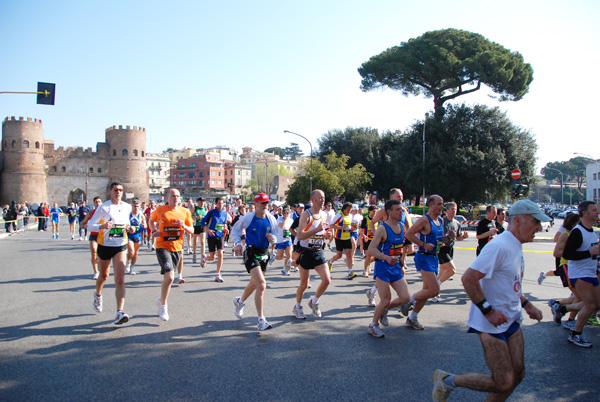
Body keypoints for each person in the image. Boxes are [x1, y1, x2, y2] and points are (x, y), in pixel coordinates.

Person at [432, 199, 546, 402]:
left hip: (511, 319)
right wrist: (488, 311)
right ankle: (447, 380)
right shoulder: (499, 246)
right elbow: (468, 278)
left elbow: (510, 285)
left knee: (517, 376)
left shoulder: (516, 245)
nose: (539, 227)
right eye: (535, 222)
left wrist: (527, 305)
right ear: (518, 221)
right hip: (490, 323)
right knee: (503, 381)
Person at [88, 183, 134, 325]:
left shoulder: (127, 207)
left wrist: (130, 228)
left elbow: (126, 223)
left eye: (121, 190)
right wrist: (102, 226)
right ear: (110, 192)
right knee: (104, 275)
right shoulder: (104, 207)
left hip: (120, 245)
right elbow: (89, 225)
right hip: (105, 245)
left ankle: (119, 312)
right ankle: (98, 294)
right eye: (116, 190)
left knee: (120, 279)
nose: (119, 192)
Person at [231, 193, 279, 331]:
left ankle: (240, 302)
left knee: (254, 284)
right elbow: (235, 229)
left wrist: (272, 239)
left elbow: (276, 236)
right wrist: (237, 244)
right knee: (262, 285)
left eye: (267, 203)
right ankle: (260, 320)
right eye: (262, 203)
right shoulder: (247, 218)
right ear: (256, 204)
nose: (265, 205)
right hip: (251, 252)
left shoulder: (271, 219)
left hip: (264, 252)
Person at [367, 199, 411, 338]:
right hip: (383, 267)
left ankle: (383, 310)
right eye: (397, 209)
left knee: (405, 297)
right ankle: (373, 325)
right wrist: (386, 258)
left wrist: (401, 260)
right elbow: (371, 250)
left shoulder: (402, 226)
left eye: (401, 209)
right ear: (389, 212)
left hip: (396, 267)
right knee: (385, 298)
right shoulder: (382, 228)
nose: (401, 211)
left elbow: (398, 248)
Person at [149, 188, 194, 321]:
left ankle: (160, 299)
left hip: (177, 248)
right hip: (162, 246)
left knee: (168, 278)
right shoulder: (160, 210)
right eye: (173, 196)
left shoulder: (184, 212)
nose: (176, 199)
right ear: (167, 198)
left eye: (178, 196)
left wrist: (184, 227)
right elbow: (151, 220)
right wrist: (153, 230)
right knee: (169, 277)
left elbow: (191, 230)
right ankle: (163, 306)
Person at [403, 195, 445, 330]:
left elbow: (438, 240)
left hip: (434, 257)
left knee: (427, 291)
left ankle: (412, 317)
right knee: (434, 290)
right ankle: (407, 301)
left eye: (442, 204)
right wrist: (422, 244)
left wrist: (449, 238)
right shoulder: (424, 220)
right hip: (423, 257)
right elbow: (409, 234)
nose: (441, 206)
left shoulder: (440, 220)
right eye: (439, 204)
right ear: (431, 205)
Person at [561, 201, 600, 347]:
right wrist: (589, 253)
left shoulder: (591, 230)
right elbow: (567, 254)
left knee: (596, 305)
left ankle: (562, 308)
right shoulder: (577, 231)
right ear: (585, 213)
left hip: (590, 272)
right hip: (579, 273)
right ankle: (575, 334)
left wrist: (595, 259)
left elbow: (590, 252)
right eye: (594, 210)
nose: (597, 212)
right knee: (590, 305)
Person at [292, 190, 332, 319]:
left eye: (324, 198)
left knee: (326, 280)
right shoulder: (306, 215)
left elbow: (322, 233)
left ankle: (314, 302)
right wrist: (317, 230)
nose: (323, 200)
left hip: (318, 251)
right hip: (305, 251)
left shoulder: (324, 215)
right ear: (313, 200)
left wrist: (326, 235)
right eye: (320, 198)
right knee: (304, 284)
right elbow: (300, 235)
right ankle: (297, 306)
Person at [433, 202, 469, 302]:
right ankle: (437, 287)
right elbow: (436, 234)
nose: (454, 211)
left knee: (443, 272)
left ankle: (432, 292)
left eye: (455, 209)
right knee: (452, 270)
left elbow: (458, 237)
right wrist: (440, 242)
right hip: (442, 249)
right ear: (447, 210)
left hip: (450, 249)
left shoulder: (456, 223)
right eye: (452, 209)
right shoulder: (442, 221)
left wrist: (464, 237)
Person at [200, 197, 229, 282]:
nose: (221, 205)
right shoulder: (211, 212)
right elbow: (202, 222)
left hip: (220, 235)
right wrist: (207, 230)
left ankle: (218, 274)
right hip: (211, 235)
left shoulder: (224, 213)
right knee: (212, 257)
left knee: (220, 253)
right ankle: (205, 258)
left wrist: (225, 229)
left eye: (222, 203)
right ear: (216, 204)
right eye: (219, 203)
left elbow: (224, 224)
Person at [328, 202, 357, 279]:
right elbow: (331, 225)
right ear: (344, 209)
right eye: (347, 210)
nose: (349, 211)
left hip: (347, 237)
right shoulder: (339, 216)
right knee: (339, 255)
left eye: (350, 210)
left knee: (349, 254)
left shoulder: (350, 216)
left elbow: (349, 225)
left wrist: (350, 228)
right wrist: (341, 228)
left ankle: (350, 271)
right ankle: (330, 262)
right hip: (339, 238)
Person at [81, 196, 103, 279]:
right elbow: (82, 224)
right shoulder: (90, 213)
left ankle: (101, 270)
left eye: (99, 202)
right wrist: (84, 226)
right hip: (93, 235)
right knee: (94, 251)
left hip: (102, 236)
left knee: (101, 255)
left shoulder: (105, 213)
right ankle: (96, 272)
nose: (98, 203)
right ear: (94, 203)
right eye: (96, 202)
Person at [126, 199, 146, 275]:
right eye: (134, 206)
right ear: (132, 206)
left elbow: (145, 225)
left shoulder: (141, 215)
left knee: (135, 253)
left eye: (137, 206)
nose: (136, 208)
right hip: (129, 235)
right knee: (131, 251)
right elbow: (125, 224)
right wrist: (129, 228)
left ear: (140, 207)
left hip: (137, 236)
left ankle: (132, 267)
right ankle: (128, 262)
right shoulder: (129, 214)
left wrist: (144, 226)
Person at [274, 206, 294, 275]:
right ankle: (274, 257)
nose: (286, 215)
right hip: (280, 240)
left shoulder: (291, 220)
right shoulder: (279, 219)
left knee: (289, 256)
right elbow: (282, 226)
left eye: (287, 213)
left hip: (288, 239)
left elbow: (293, 228)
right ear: (283, 214)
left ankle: (285, 270)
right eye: (285, 213)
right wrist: (285, 219)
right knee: (280, 257)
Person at [191, 197, 208, 264]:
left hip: (202, 226)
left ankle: (202, 257)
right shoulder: (195, 208)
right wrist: (196, 217)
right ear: (198, 202)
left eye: (203, 201)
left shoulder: (205, 209)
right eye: (201, 201)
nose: (202, 203)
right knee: (195, 242)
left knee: (203, 242)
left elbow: (207, 217)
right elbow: (189, 216)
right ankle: (194, 254)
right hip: (196, 226)